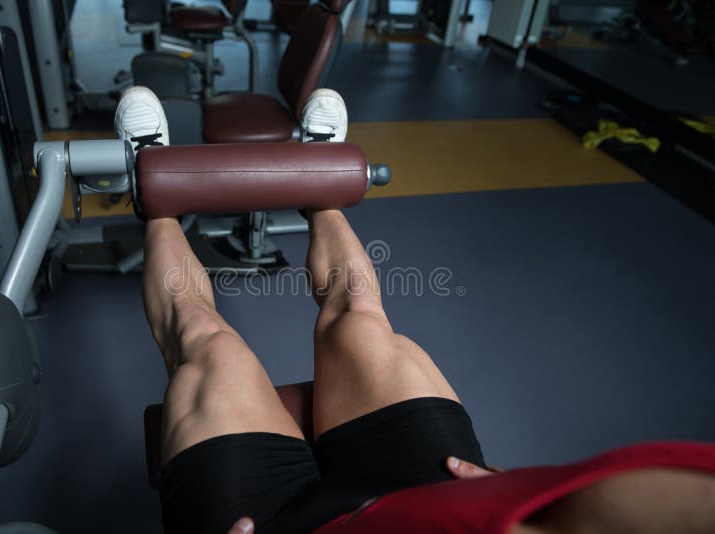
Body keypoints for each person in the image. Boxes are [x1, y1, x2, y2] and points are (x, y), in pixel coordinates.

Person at [117, 87, 715, 534]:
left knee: (206, 344)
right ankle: (316, 182)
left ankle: (155, 193)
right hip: (428, 500)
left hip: (273, 525)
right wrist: (526, 499)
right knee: (359, 316)